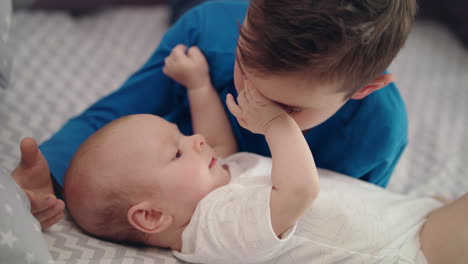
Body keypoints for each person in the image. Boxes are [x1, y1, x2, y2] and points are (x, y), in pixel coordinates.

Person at [12, 0, 415, 230]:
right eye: (243, 66)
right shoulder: (207, 36)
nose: (249, 101)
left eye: (287, 108)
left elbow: (354, 216)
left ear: (365, 88)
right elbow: (113, 119)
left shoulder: (378, 133)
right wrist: (43, 176)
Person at [63, 46, 467, 264]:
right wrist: (276, 123)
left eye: (182, 133)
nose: (196, 141)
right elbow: (298, 192)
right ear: (151, 216)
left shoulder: (213, 184)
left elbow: (219, 144)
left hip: (409, 216)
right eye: (176, 152)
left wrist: (200, 87)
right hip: (408, 249)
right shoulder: (215, 230)